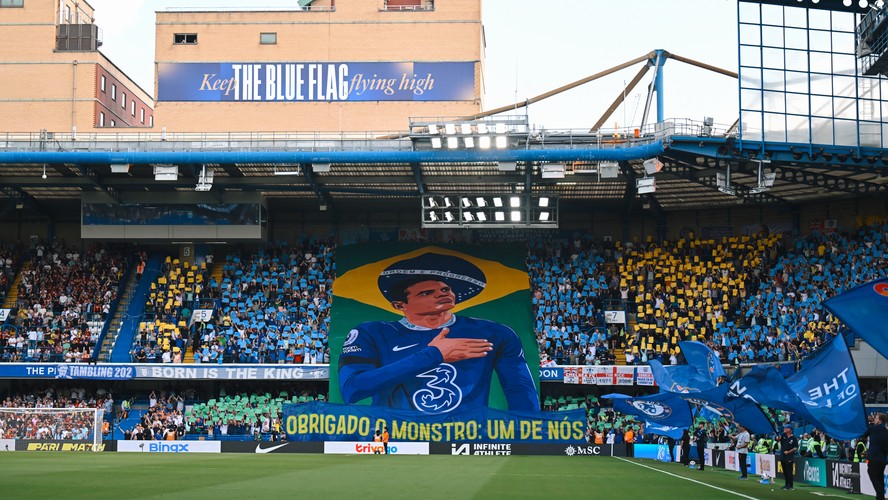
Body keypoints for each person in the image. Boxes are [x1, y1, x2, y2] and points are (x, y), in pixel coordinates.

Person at [338, 253, 540, 414]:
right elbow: (352, 390)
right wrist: (433, 355)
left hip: (467, 440)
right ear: (399, 305)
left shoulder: (495, 333)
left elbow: (519, 390)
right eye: (426, 293)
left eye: (446, 288)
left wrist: (525, 433)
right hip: (397, 439)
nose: (442, 293)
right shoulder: (371, 333)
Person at [863, 413, 888, 500]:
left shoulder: (873, 428)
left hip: (874, 458)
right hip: (882, 460)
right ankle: (880, 497)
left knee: (873, 475)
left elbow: (863, 434)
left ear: (880, 420)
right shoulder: (886, 431)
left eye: (876, 418)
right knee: (880, 478)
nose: (874, 419)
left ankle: (880, 496)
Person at [779, 424, 798, 491]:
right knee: (784, 471)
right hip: (783, 456)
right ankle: (786, 484)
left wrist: (789, 451)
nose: (784, 429)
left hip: (789, 457)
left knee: (789, 471)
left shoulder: (794, 438)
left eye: (786, 428)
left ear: (790, 429)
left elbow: (796, 448)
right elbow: (778, 438)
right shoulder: (783, 435)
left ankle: (790, 485)